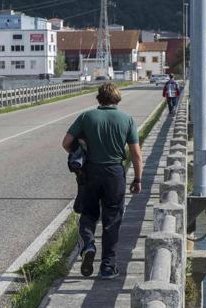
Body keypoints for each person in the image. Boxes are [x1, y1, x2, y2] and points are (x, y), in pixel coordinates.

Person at [62, 83, 143, 280]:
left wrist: (81, 148)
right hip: (115, 173)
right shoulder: (127, 120)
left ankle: (88, 244)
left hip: (90, 172)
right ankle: (107, 267)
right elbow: (136, 155)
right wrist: (137, 179)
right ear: (117, 98)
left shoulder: (86, 117)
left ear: (99, 98)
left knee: (88, 213)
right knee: (112, 220)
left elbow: (65, 143)